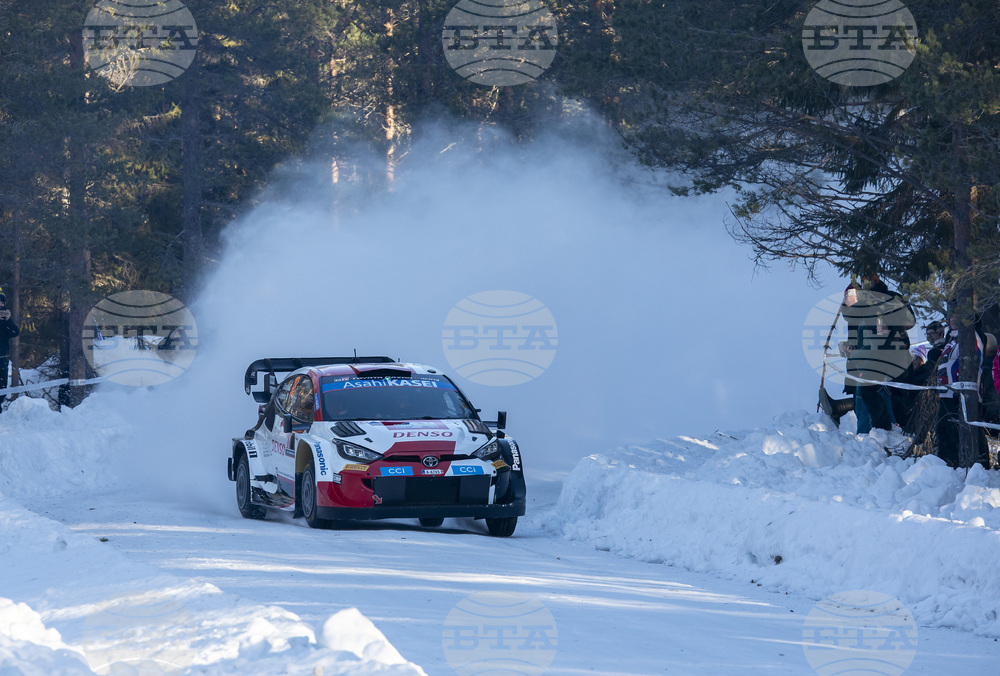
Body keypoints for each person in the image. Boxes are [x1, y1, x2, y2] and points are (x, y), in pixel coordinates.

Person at [840, 274, 914, 433]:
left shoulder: (892, 297)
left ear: (876, 279)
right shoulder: (865, 306)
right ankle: (882, 428)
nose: (866, 282)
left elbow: (909, 320)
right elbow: (853, 321)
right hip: (874, 356)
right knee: (867, 390)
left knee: (900, 392)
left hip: (897, 350)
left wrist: (890, 325)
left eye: (868, 278)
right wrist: (849, 348)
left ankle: (906, 429)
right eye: (863, 280)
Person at [935, 314, 987, 467]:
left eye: (958, 314)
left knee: (960, 430)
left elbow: (973, 361)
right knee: (942, 428)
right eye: (951, 315)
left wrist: (960, 386)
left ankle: (970, 465)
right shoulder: (951, 337)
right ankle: (946, 464)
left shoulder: (971, 335)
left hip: (961, 393)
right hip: (946, 392)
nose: (953, 319)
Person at [0, 291, 20, 413]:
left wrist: (8, 320)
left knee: (2, 385)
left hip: (2, 357)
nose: (0, 305)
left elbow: (15, 332)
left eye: (2, 303)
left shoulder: (5, 320)